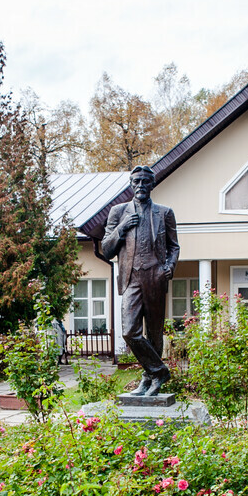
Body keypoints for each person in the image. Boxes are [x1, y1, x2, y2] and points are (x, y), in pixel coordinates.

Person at [100, 165, 180, 396]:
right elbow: (106, 249)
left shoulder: (165, 213)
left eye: (145, 181)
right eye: (136, 182)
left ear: (152, 185)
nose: (141, 186)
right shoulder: (118, 212)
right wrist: (122, 228)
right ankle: (159, 371)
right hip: (131, 278)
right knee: (130, 331)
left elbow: (174, 246)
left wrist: (169, 267)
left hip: (156, 276)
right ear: (131, 184)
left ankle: (149, 380)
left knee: (154, 332)